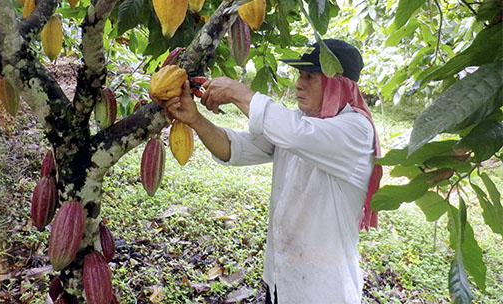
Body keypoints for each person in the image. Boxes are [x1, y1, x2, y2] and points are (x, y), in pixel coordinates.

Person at [155, 39, 382, 303]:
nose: (299, 83)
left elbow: (296, 136)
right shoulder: (300, 123)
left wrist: (239, 93)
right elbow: (234, 148)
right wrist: (194, 119)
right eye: (300, 75)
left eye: (310, 76)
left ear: (338, 84)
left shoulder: (356, 130)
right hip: (281, 279)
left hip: (323, 290)